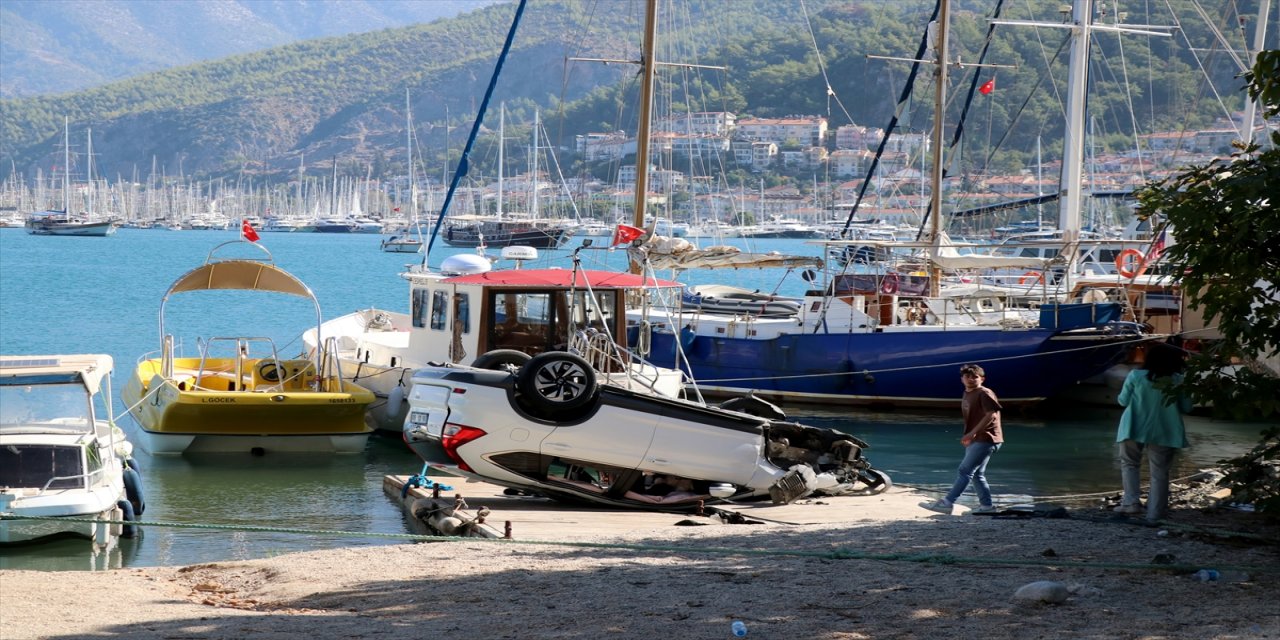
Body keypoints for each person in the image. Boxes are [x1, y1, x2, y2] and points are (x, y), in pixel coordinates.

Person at [1114, 342, 1191, 521]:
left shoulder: (1136, 376)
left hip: (1133, 426)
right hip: (1165, 429)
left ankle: (1131, 503)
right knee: (1160, 472)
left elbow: (1123, 401)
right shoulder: (1178, 380)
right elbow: (1187, 407)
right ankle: (1155, 513)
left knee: (1130, 464)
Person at [920, 363, 1004, 515]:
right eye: (967, 376)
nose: (971, 379)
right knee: (977, 475)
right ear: (962, 379)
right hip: (977, 439)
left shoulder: (984, 393)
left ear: (982, 379)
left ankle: (947, 503)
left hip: (987, 438)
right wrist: (970, 436)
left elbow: (991, 414)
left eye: (975, 377)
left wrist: (972, 433)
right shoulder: (968, 393)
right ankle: (987, 507)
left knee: (965, 471)